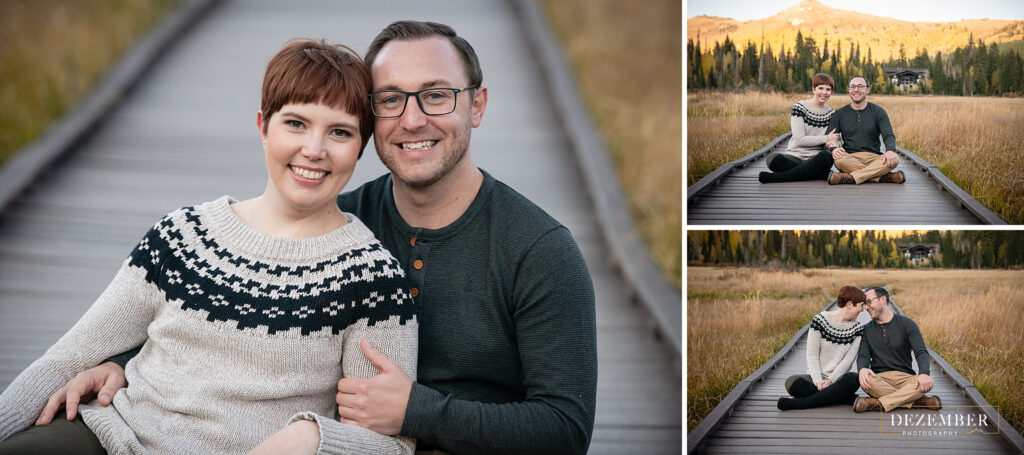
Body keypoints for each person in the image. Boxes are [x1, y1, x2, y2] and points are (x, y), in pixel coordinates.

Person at [32, 21, 598, 455]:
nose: (413, 118)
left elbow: (565, 429)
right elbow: (230, 302)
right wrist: (126, 360)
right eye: (390, 99)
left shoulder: (539, 250)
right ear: (370, 120)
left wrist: (419, 412)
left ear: (476, 105)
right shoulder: (336, 223)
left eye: (437, 95)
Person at [0, 39, 419, 454]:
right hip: (113, 435)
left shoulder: (371, 279)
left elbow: (391, 445)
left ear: (360, 147)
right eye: (296, 124)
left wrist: (314, 437)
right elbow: (69, 357)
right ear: (263, 127)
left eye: (339, 132)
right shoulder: (182, 234)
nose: (313, 150)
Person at [853, 287, 942, 412]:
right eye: (865, 304)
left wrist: (923, 373)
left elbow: (921, 352)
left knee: (929, 381)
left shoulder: (907, 324)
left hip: (905, 378)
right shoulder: (866, 329)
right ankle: (917, 401)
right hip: (879, 379)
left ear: (883, 299)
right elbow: (863, 356)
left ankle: (879, 403)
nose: (866, 308)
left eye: (869, 302)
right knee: (866, 380)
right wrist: (862, 369)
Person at [777, 286, 864, 410]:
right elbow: (812, 355)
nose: (862, 310)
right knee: (791, 382)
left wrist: (829, 381)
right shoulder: (820, 321)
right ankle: (844, 398)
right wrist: (818, 380)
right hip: (815, 378)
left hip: (837, 379)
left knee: (853, 379)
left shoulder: (858, 329)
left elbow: (847, 362)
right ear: (850, 304)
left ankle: (798, 404)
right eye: (860, 305)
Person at [758, 73, 839, 184]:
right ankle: (820, 174)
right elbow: (799, 139)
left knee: (826, 156)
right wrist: (826, 138)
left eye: (828, 89)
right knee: (772, 159)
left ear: (831, 92)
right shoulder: (800, 108)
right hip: (795, 156)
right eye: (820, 88)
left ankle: (778, 178)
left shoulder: (831, 114)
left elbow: (834, 140)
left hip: (815, 159)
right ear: (813, 89)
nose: (824, 93)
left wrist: (834, 144)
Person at [824, 75, 905, 185]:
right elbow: (830, 137)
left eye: (860, 86)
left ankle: (850, 177)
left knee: (894, 160)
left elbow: (888, 134)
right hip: (849, 157)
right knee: (839, 160)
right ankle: (882, 177)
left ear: (868, 90)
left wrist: (890, 150)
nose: (856, 90)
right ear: (849, 90)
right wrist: (833, 148)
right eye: (853, 86)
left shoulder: (878, 112)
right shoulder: (839, 114)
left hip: (874, 157)